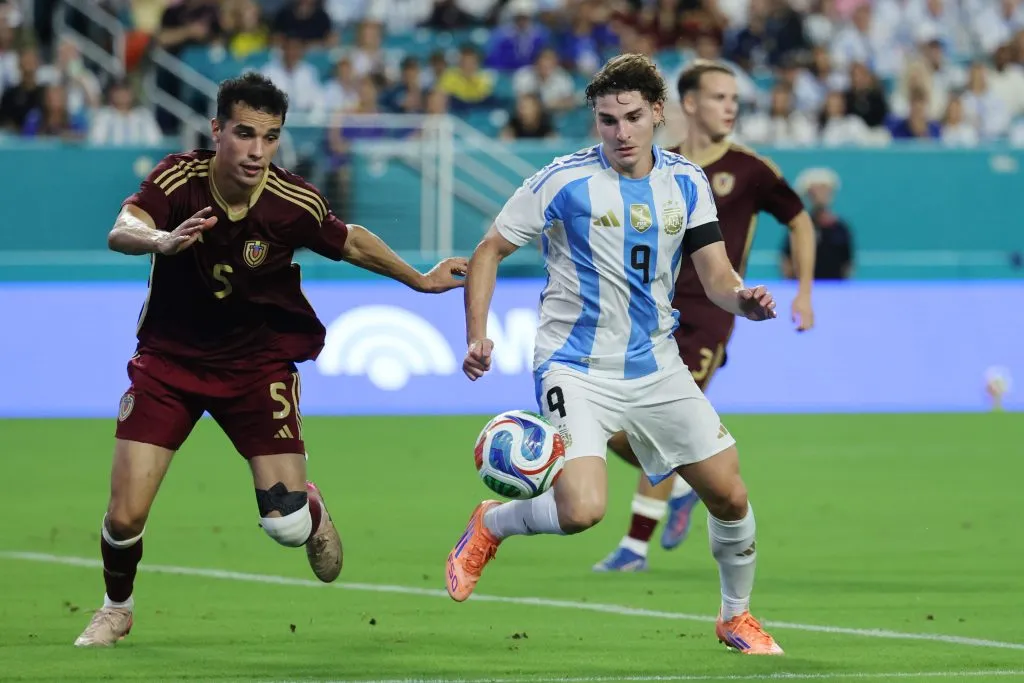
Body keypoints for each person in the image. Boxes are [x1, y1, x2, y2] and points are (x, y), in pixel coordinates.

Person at [74, 73, 467, 647]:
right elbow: (123, 227)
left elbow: (350, 239)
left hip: (256, 368)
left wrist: (419, 280)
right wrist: (160, 240)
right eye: (244, 133)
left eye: (270, 137)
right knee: (125, 515)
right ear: (217, 131)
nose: (257, 150)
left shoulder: (291, 200)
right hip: (169, 364)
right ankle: (116, 608)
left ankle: (306, 501)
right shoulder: (178, 176)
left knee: (285, 526)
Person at [447, 54, 784, 655]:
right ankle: (490, 522)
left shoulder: (687, 182)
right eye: (607, 120)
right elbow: (489, 249)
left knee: (730, 495)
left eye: (631, 117)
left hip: (656, 365)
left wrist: (744, 302)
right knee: (581, 510)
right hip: (573, 366)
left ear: (658, 113)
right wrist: (478, 335)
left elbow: (715, 278)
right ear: (594, 121)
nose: (620, 132)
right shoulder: (561, 181)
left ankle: (736, 617)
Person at [595, 60, 816, 573]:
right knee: (609, 425)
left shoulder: (752, 170)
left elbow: (800, 220)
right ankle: (693, 482)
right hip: (651, 313)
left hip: (711, 315)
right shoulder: (662, 166)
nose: (731, 106)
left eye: (735, 98)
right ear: (688, 104)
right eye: (719, 97)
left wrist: (804, 292)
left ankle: (634, 546)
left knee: (664, 425)